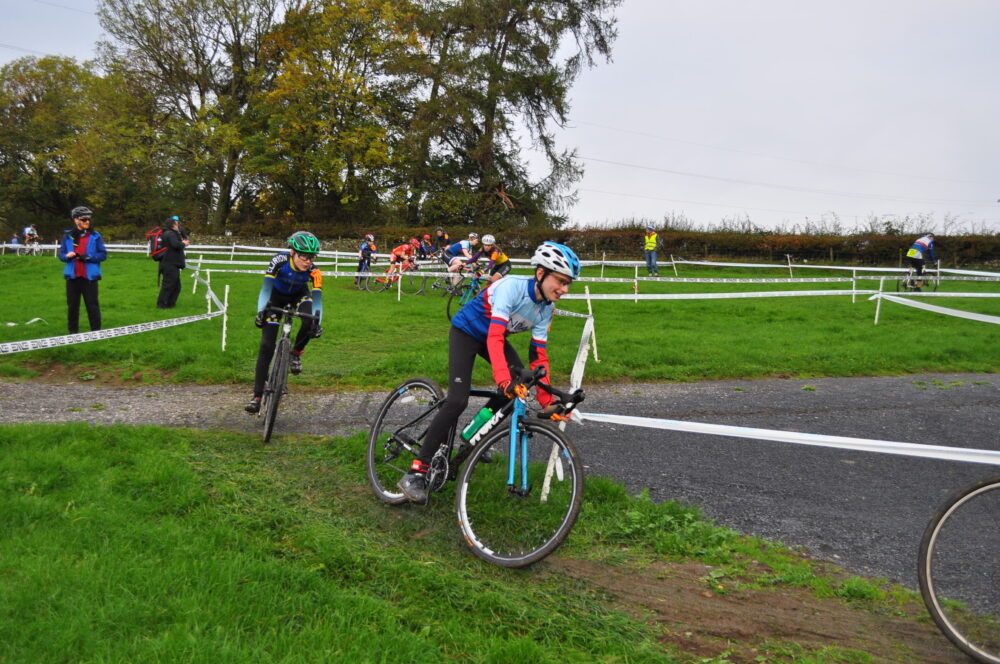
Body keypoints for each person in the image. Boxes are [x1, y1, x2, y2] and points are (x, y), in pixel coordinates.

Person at [396, 241, 581, 503]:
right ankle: (417, 471)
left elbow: (539, 357)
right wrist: (503, 379)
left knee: (518, 388)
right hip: (467, 332)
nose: (564, 289)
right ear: (541, 274)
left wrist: (547, 402)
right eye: (560, 281)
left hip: (492, 338)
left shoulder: (546, 308)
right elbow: (495, 336)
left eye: (568, 284)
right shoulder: (511, 288)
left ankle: (472, 435)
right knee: (458, 400)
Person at [245, 231, 324, 414]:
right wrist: (261, 312)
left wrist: (317, 323)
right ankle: (257, 396)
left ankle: (295, 353)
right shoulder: (278, 261)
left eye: (311, 257)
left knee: (308, 322)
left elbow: (318, 302)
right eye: (304, 256)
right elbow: (265, 289)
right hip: (276, 297)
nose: (308, 261)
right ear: (292, 253)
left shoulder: (314, 271)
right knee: (266, 345)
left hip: (299, 294)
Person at [58, 206, 107, 334]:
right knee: (72, 307)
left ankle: (96, 333)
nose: (87, 222)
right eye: (84, 219)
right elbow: (61, 255)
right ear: (76, 220)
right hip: (73, 277)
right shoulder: (68, 236)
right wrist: (66, 256)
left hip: (89, 278)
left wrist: (90, 258)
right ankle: (73, 333)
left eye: (89, 219)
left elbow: (103, 255)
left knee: (92, 306)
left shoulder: (95, 236)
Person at [156, 215, 189, 309]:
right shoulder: (170, 234)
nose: (178, 225)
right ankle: (161, 305)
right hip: (170, 264)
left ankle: (170, 304)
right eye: (177, 224)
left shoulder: (170, 233)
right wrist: (184, 243)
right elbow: (175, 245)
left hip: (171, 263)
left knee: (176, 286)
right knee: (168, 285)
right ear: (173, 225)